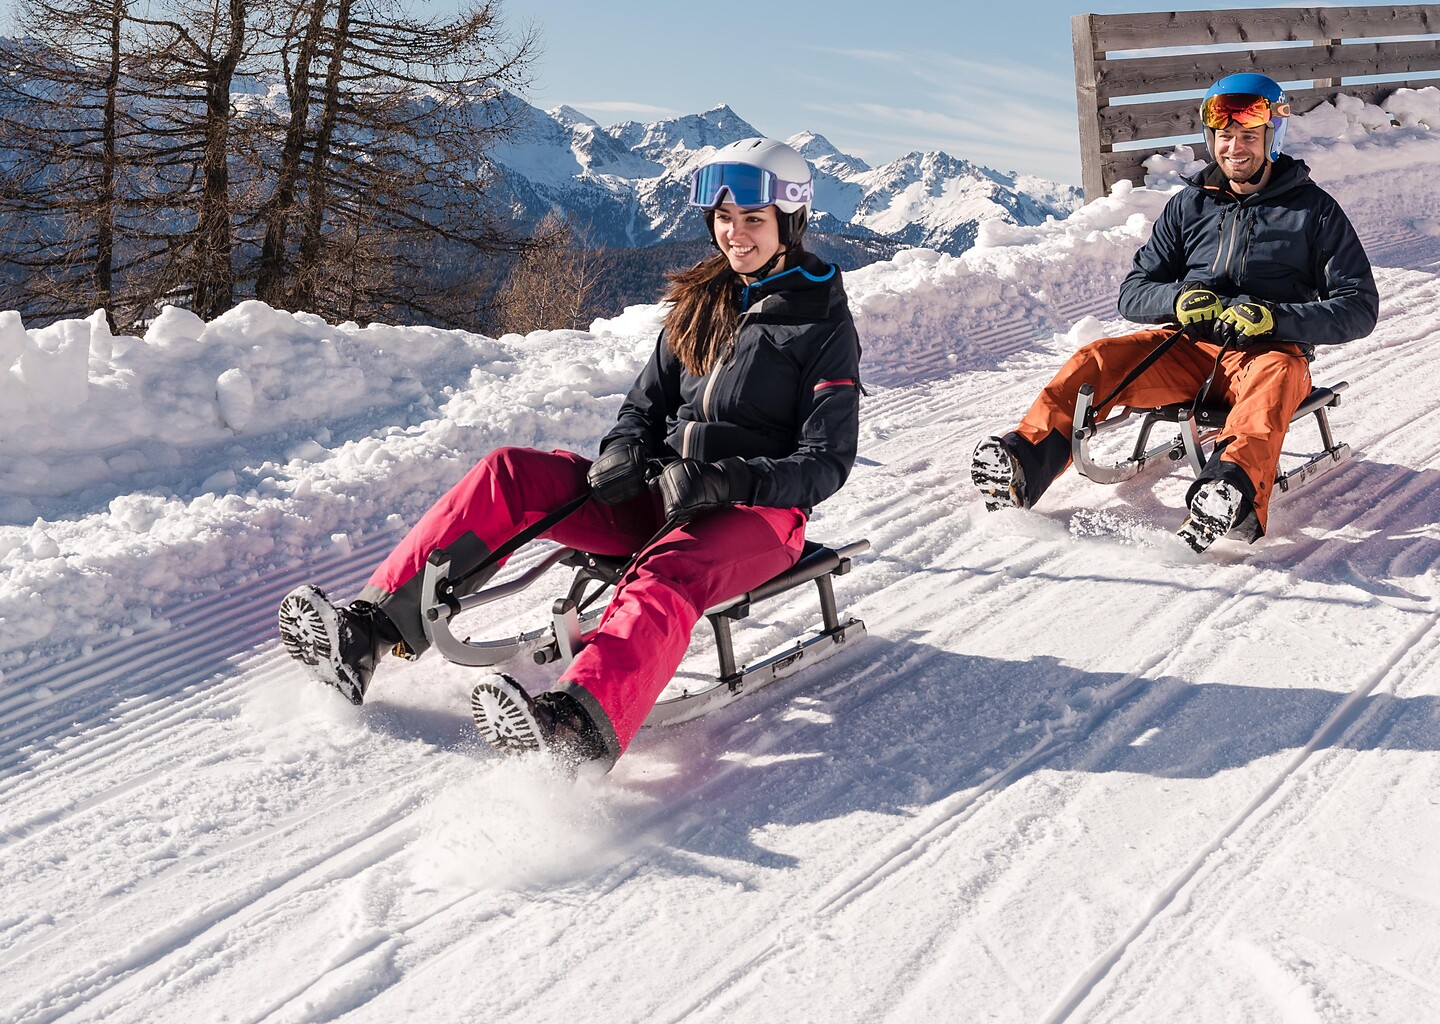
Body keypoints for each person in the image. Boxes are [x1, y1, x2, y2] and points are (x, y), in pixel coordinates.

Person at [278, 137, 861, 770]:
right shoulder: (704, 301)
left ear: (790, 222)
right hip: (663, 493)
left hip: (757, 516)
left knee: (665, 571)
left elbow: (826, 461)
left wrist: (729, 480)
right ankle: (370, 631)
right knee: (510, 474)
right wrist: (624, 450)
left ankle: (577, 725)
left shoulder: (821, 323)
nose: (734, 234)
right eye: (724, 218)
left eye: (753, 219)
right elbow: (644, 406)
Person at [971, 73, 1379, 551]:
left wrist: (1275, 317)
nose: (1234, 148)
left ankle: (1228, 491)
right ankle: (1024, 462)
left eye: (1249, 136)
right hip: (1187, 350)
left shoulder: (1315, 212)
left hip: (1271, 355)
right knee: (1096, 360)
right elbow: (1133, 293)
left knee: (1270, 389)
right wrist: (1177, 300)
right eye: (1224, 136)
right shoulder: (1190, 206)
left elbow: (1359, 307)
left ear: (1273, 138)